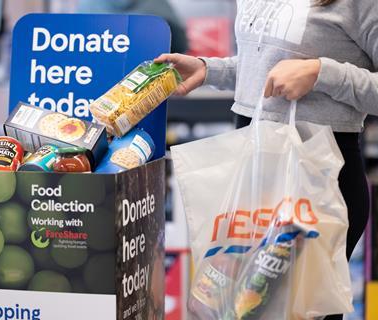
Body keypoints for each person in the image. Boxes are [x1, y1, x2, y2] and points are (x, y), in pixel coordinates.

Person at [156, 0, 376, 319]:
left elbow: (311, 72)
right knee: (233, 310)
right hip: (253, 182)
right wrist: (210, 69)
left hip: (316, 188)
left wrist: (321, 73)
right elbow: (265, 67)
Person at [76, 0, 188, 53]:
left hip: (94, 74)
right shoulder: (158, 5)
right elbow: (180, 46)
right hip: (149, 80)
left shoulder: (88, 5)